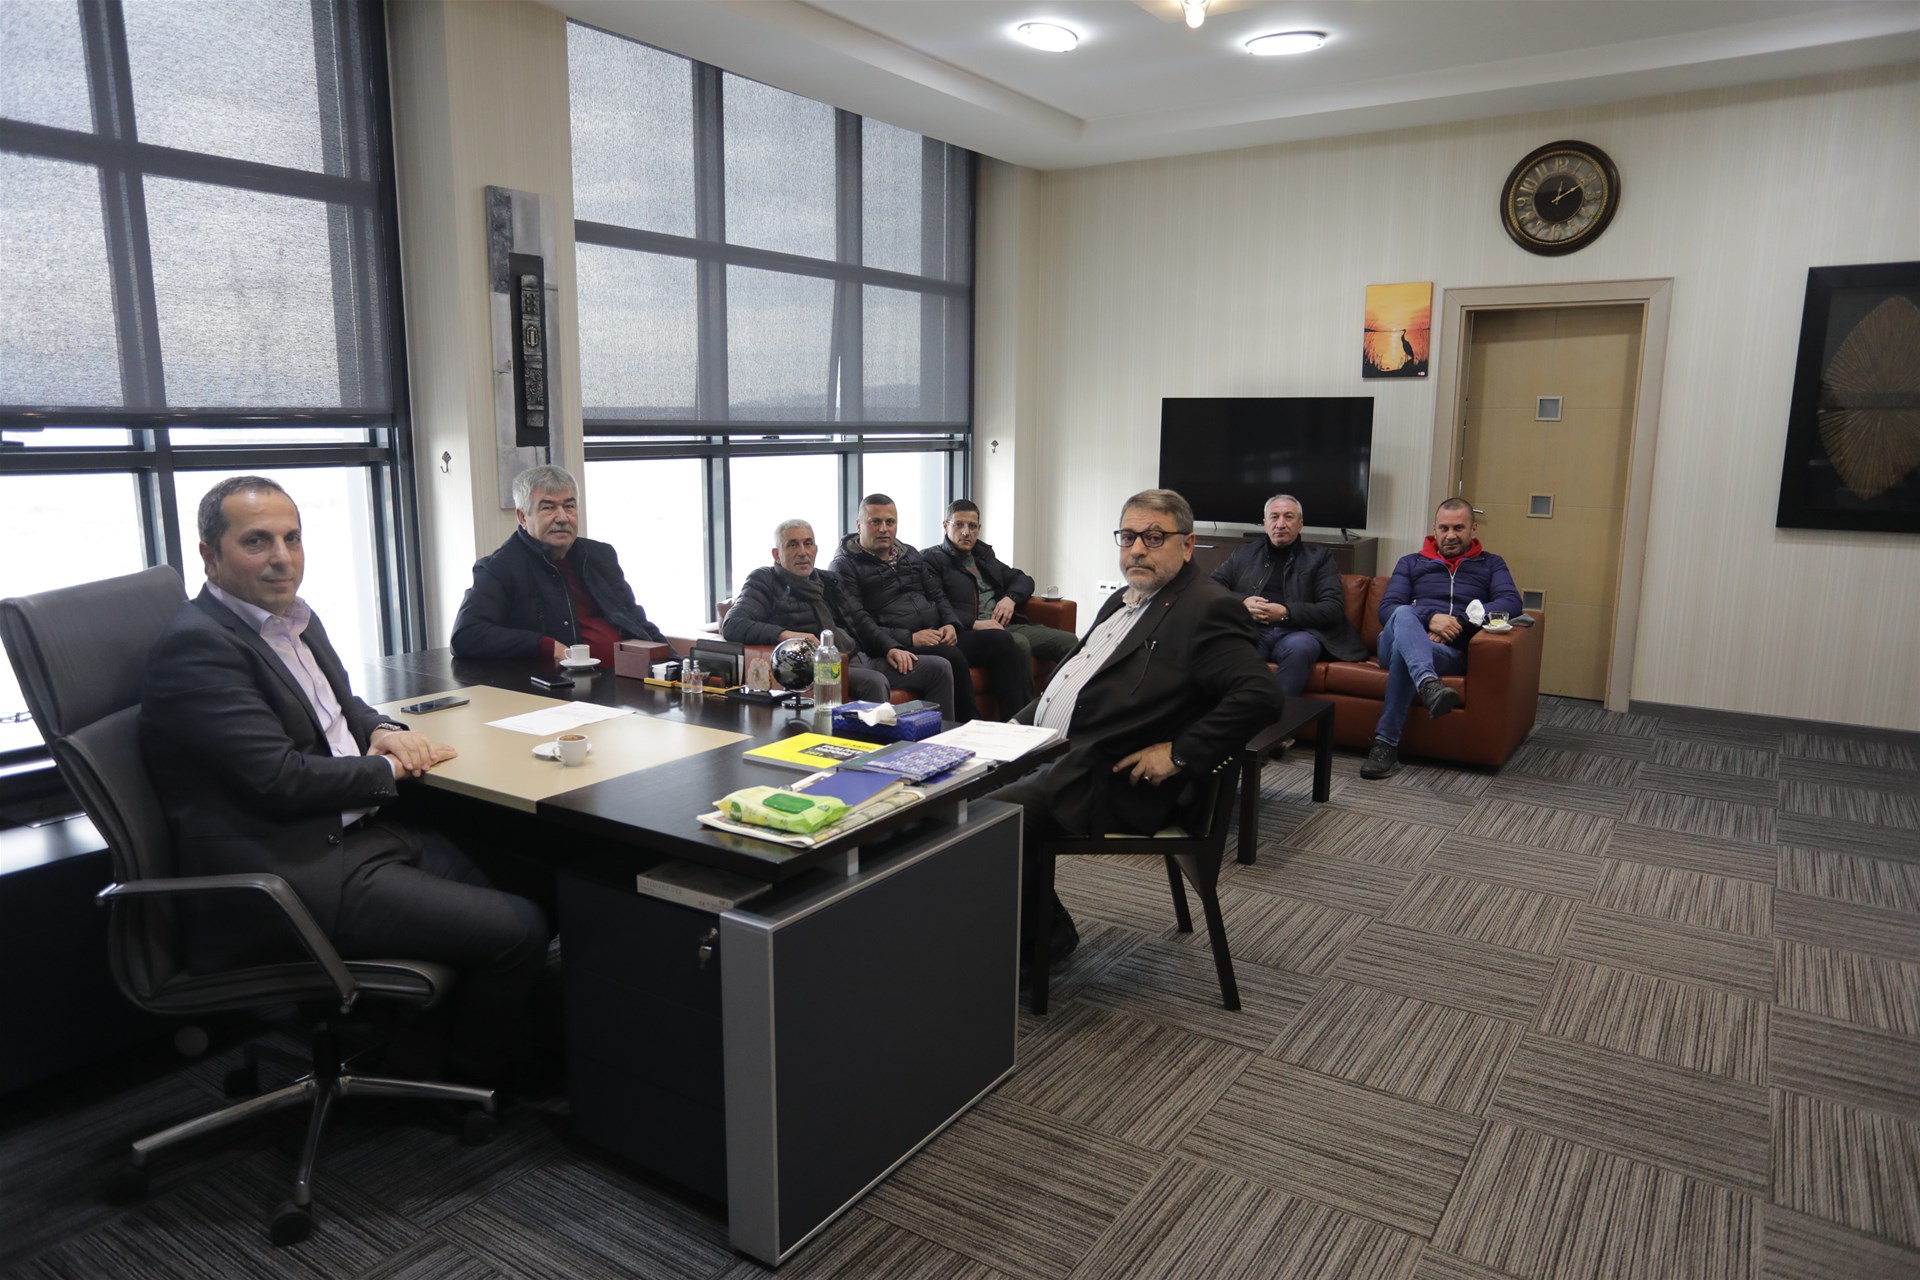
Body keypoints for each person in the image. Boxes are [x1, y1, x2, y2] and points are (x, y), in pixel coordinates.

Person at [141, 476, 551, 1086]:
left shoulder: (292, 619)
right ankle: (464, 1082)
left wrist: (383, 729)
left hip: (360, 837)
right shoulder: (199, 649)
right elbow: (280, 779)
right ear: (210, 556)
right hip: (292, 870)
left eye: (292, 538)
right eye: (256, 541)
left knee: (543, 879)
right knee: (519, 929)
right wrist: (389, 768)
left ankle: (427, 1046)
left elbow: (341, 705)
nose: (282, 558)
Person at [994, 489, 1283, 958]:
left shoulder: (1207, 607)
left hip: (1110, 777)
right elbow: (1073, 679)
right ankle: (1028, 930)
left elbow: (1260, 697)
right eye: (1128, 537)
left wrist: (1179, 754)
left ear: (1187, 545)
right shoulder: (1122, 601)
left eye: (1154, 537)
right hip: (1055, 753)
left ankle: (1039, 944)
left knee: (988, 818)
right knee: (953, 790)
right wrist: (1010, 728)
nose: (1137, 550)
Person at [722, 518, 957, 718]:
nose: (802, 552)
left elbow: (861, 620)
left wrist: (890, 648)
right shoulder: (764, 580)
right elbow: (733, 624)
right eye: (792, 545)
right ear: (776, 553)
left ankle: (942, 744)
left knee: (939, 668)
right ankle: (878, 752)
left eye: (808, 543)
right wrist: (786, 635)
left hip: (859, 656)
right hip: (821, 669)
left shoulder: (828, 580)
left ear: (816, 549)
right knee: (874, 681)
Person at [1360, 497, 1523, 779]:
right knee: (1402, 613)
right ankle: (1429, 684)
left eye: (1459, 528)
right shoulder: (1411, 563)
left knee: (1404, 653)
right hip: (1394, 638)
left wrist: (1459, 622)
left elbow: (1511, 603)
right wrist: (1429, 618)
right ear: (1434, 529)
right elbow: (1387, 609)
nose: (1450, 535)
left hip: (1448, 652)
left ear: (1473, 529)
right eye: (1444, 528)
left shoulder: (1491, 564)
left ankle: (1386, 744)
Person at [828, 494, 1027, 723]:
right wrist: (910, 638)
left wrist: (951, 624)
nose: (884, 529)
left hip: (935, 634)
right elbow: (859, 621)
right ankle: (968, 727)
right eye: (875, 522)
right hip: (897, 644)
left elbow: (937, 595)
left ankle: (1016, 723)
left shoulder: (909, 553)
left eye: (890, 522)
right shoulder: (844, 566)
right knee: (952, 656)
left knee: (1001, 641)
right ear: (859, 525)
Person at [451, 464, 669, 664]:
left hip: (632, 674)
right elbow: (466, 635)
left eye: (569, 506)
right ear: (522, 517)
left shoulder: (600, 555)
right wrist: (546, 646)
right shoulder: (499, 568)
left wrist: (674, 663)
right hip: (565, 683)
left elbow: (635, 620)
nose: (563, 517)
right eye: (548, 508)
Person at [1208, 493, 1365, 698]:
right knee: (1236, 648)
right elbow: (1210, 587)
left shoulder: (1320, 558)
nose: (1280, 524)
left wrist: (1286, 612)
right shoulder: (1244, 554)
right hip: (1255, 630)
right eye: (1274, 517)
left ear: (1300, 524)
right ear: (1265, 523)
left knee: (1299, 648)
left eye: (1288, 517)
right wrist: (1242, 602)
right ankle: (1239, 712)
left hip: (1300, 632)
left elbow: (1332, 607)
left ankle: (1279, 717)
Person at [922, 499, 1079, 684]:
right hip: (969, 631)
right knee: (1018, 643)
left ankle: (1065, 699)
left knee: (1069, 642)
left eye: (972, 526)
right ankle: (1028, 704)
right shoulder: (931, 559)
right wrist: (973, 623)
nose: (966, 532)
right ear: (945, 526)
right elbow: (934, 604)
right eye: (959, 525)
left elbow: (1023, 579)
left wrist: (1010, 598)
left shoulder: (983, 556)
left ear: (979, 528)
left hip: (1004, 624)